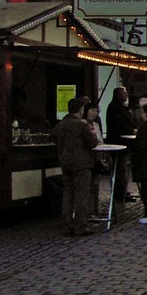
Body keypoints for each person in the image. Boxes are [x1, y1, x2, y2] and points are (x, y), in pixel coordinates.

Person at [51, 97, 99, 236]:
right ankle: (80, 226)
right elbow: (92, 142)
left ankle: (68, 225)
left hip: (66, 163)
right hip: (82, 164)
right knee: (81, 195)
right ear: (80, 110)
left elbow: (55, 139)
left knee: (68, 195)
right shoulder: (82, 125)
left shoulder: (61, 125)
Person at [105, 86, 136, 205]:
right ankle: (120, 193)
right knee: (120, 170)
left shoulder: (121, 107)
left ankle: (122, 192)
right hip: (118, 144)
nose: (126, 95)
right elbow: (119, 125)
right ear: (118, 95)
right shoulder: (114, 107)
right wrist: (131, 130)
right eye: (124, 93)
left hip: (123, 143)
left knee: (122, 170)